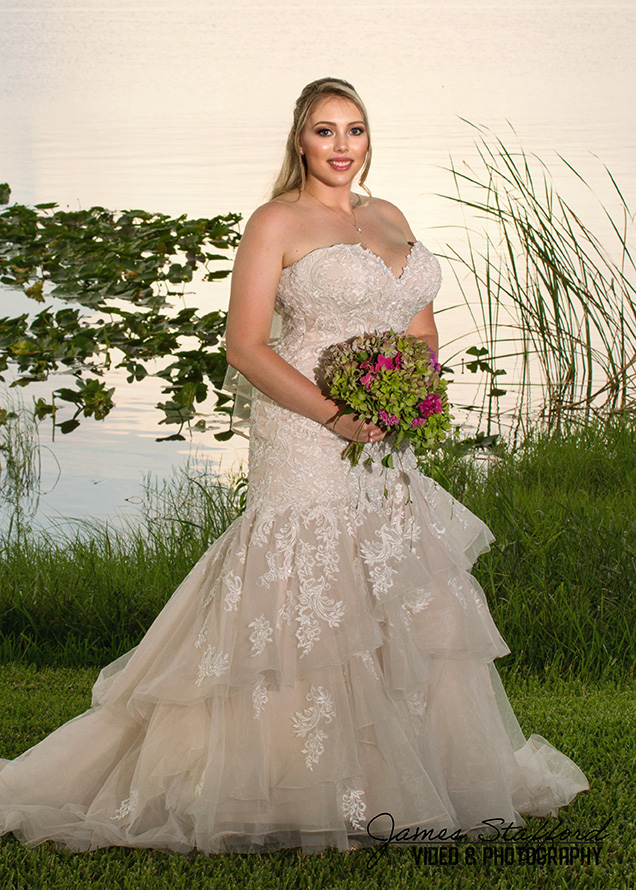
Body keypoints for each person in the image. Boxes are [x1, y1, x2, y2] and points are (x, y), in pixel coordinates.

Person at [0, 77, 588, 856]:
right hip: (307, 431)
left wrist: (415, 390)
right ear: (300, 142)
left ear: (368, 138)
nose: (342, 146)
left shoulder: (390, 217)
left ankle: (407, 777)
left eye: (354, 130)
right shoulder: (275, 220)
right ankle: (286, 778)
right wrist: (336, 413)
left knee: (393, 588)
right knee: (304, 591)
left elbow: (417, 324)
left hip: (387, 442)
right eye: (324, 131)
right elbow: (245, 345)